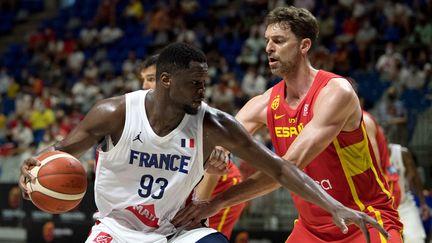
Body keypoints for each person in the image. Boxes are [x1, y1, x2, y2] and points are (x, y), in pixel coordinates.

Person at [19, 43, 387, 243]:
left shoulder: (213, 124)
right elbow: (62, 151)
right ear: (164, 81)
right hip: (118, 229)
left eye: (204, 82)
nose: (202, 90)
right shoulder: (114, 113)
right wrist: (35, 168)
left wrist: (332, 205)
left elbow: (280, 168)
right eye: (193, 83)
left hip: (178, 229)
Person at [172, 7, 402, 243]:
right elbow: (214, 145)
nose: (269, 48)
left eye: (279, 41)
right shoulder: (263, 103)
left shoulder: (335, 92)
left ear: (304, 46)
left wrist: (217, 203)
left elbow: (287, 168)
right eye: (267, 41)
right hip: (311, 229)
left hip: (363, 220)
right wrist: (211, 160)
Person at [139, 54, 246, 239]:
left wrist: (198, 209)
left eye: (150, 79)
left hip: (219, 183)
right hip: (187, 185)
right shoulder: (148, 113)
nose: (143, 86)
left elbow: (212, 170)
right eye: (143, 80)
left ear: (168, 80)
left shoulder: (195, 114)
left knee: (200, 231)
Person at [388, 143, 430, 243]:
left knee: (416, 239)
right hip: (380, 208)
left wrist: (423, 203)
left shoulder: (401, 152)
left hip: (404, 204)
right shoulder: (366, 154)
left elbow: (415, 178)